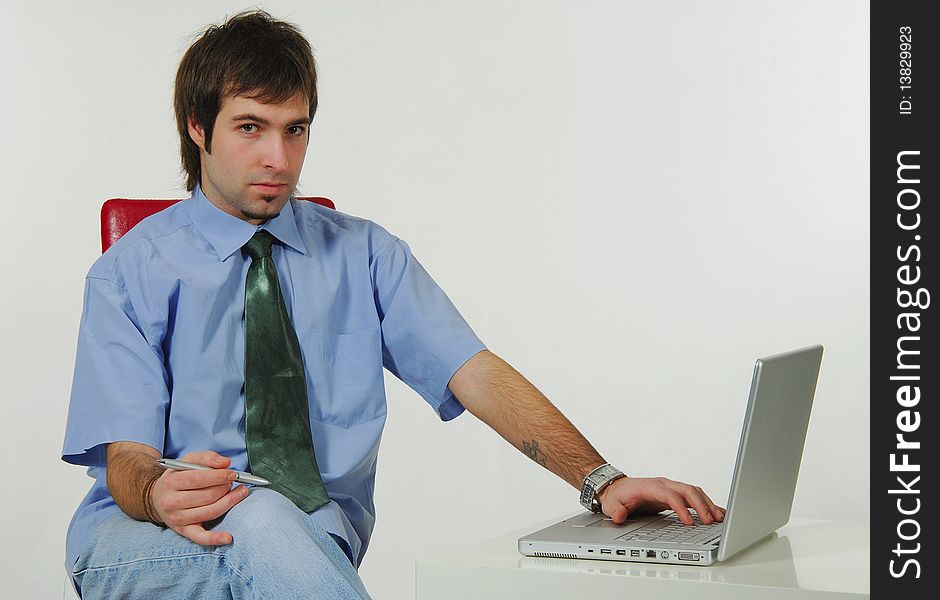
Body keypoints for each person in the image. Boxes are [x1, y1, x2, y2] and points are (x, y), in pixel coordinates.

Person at [62, 10, 724, 599]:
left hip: (311, 545)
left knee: (273, 525)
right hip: (146, 544)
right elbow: (126, 459)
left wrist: (601, 479)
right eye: (250, 128)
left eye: (296, 130)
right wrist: (155, 492)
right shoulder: (127, 275)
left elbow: (477, 373)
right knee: (257, 517)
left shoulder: (364, 255)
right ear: (197, 127)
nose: (278, 158)